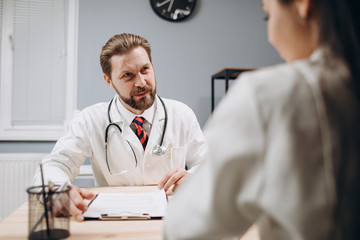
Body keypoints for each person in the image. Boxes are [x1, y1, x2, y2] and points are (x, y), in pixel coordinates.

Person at [164, 0, 360, 239]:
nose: (270, 37)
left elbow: (187, 230)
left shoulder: (269, 95)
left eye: (268, 16)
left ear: (301, 5)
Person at [33, 33, 208, 222]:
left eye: (145, 69)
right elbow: (55, 164)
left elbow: (209, 164)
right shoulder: (90, 120)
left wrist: (192, 176)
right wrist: (58, 191)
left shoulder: (181, 114)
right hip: (114, 222)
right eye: (128, 75)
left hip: (173, 221)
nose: (141, 82)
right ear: (108, 81)